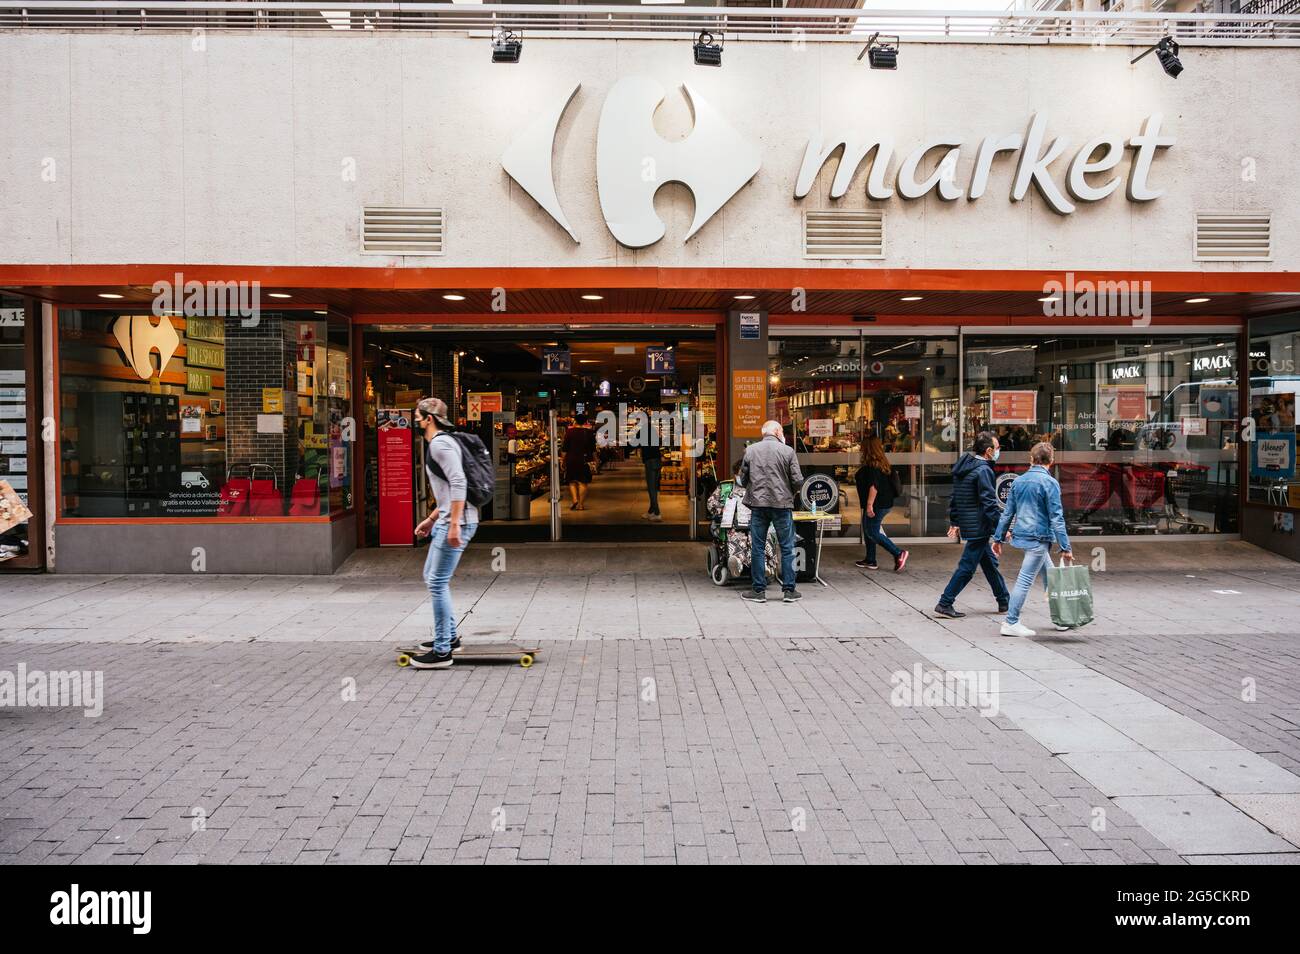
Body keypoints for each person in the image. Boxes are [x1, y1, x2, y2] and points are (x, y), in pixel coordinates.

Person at [407, 397, 479, 670]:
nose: (415, 422)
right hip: (448, 519)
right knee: (432, 576)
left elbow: (459, 482)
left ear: (429, 419)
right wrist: (430, 519)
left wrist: (454, 524)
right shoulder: (442, 443)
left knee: (437, 581)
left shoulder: (440, 444)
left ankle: (442, 651)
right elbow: (448, 492)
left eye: (417, 417)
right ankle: (449, 638)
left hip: (457, 521)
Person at [993, 442, 1074, 637]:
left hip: (1024, 536)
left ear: (1031, 459)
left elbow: (1007, 514)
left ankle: (1060, 618)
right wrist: (1065, 547)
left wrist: (998, 538)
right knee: (1024, 580)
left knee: (1051, 575)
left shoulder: (1019, 482)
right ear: (1051, 461)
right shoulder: (1050, 483)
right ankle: (1011, 621)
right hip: (1039, 539)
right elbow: (1056, 518)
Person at [935, 430, 1010, 618]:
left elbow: (956, 496)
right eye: (997, 448)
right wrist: (1002, 528)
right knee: (967, 568)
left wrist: (955, 520)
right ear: (988, 451)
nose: (998, 451)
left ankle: (1004, 601)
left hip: (973, 524)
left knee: (989, 564)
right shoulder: (984, 470)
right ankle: (945, 603)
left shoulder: (965, 466)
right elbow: (989, 504)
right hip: (979, 526)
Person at [737, 420, 804, 604]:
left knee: (757, 548)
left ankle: (758, 591)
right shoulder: (788, 451)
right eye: (781, 431)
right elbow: (798, 481)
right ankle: (789, 591)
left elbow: (742, 479)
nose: (782, 434)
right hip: (782, 505)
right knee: (787, 547)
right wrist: (789, 492)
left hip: (758, 505)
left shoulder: (751, 450)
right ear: (777, 431)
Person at [854, 436, 908, 571]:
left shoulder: (873, 466)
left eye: (863, 446)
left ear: (868, 449)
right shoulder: (882, 463)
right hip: (883, 502)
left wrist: (869, 505)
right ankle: (870, 560)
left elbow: (874, 486)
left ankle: (898, 553)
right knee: (868, 529)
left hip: (877, 504)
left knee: (872, 531)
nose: (860, 449)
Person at [562, 414, 596, 510]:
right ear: (585, 422)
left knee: (572, 481)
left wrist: (563, 460)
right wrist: (595, 460)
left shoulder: (569, 432)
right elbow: (593, 449)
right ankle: (580, 504)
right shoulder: (589, 432)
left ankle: (574, 500)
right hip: (584, 460)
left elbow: (565, 448)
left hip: (571, 459)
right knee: (583, 482)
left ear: (575, 421)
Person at [641, 442, 663, 521]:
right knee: (654, 488)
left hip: (650, 461)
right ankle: (651, 511)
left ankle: (657, 513)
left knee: (651, 489)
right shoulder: (653, 434)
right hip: (658, 460)